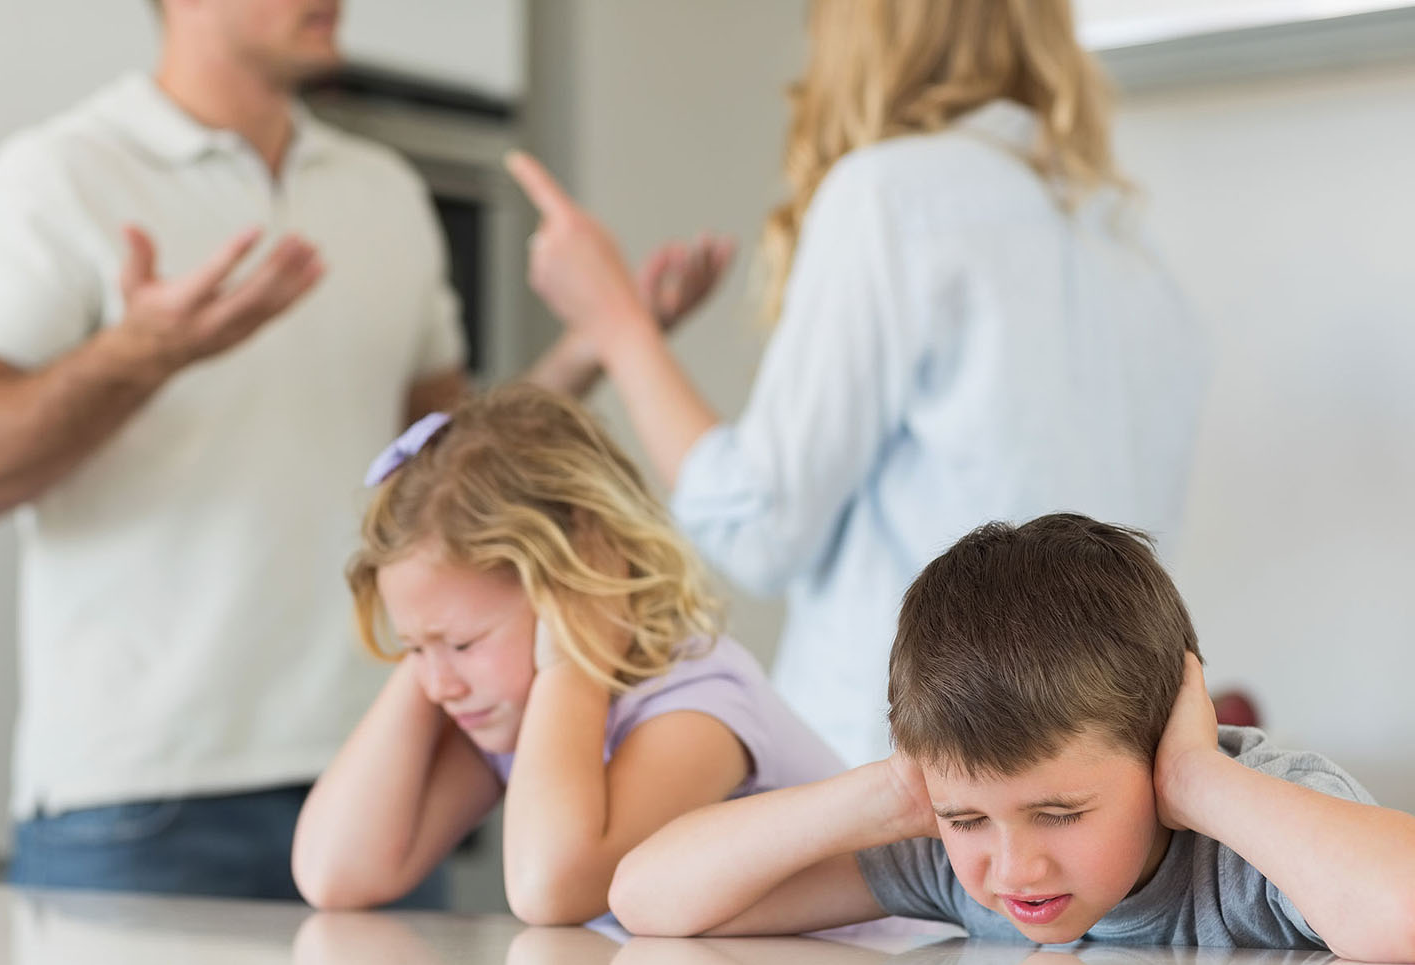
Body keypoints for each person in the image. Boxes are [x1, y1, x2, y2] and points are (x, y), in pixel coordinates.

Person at [0, 0, 727, 900]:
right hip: (143, 799)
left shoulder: (383, 193)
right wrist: (137, 356)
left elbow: (446, 473)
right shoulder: (59, 179)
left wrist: (603, 339)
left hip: (381, 772)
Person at [506, 0, 1208, 766]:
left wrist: (618, 324)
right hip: (1088, 781)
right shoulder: (1122, 237)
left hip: (908, 778)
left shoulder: (891, 194)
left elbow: (760, 526)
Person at [608, 514, 1415, 962]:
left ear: (1161, 739)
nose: (1014, 867)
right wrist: (893, 794)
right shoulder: (950, 857)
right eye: (968, 819)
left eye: (1060, 814)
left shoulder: (1250, 837)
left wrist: (1201, 781)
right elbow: (646, 900)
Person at [289, 384, 842, 922]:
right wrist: (433, 641)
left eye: (462, 644)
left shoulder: (699, 704)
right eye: (413, 649)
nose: (439, 686)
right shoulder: (512, 708)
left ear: (583, 578)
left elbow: (550, 887)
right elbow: (333, 872)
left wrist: (572, 659)